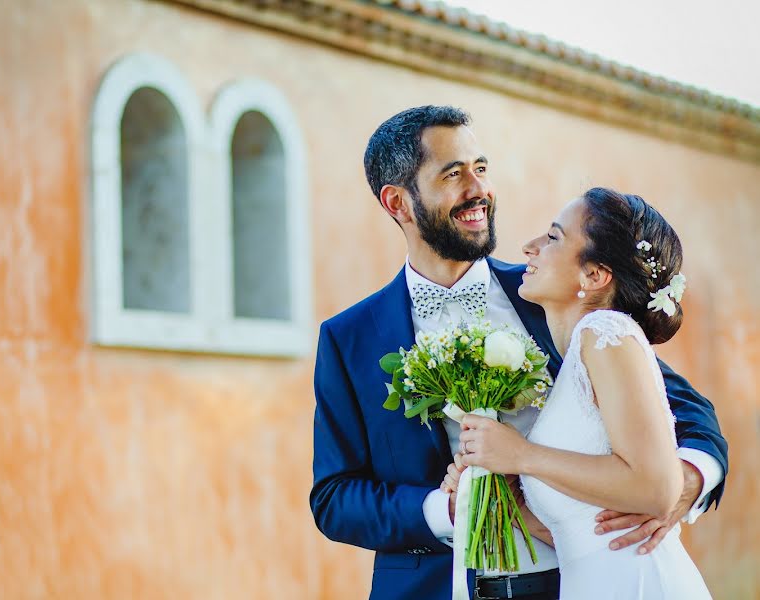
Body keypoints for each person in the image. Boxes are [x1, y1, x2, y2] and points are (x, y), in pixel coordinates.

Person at [309, 106, 728, 600]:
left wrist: (679, 487)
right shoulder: (350, 337)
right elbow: (334, 498)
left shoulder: (553, 294)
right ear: (398, 202)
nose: (478, 189)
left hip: (569, 582)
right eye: (453, 173)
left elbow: (686, 411)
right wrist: (447, 508)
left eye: (481, 168)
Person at [443, 187, 714, 598]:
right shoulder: (580, 357)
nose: (529, 248)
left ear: (593, 275)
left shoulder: (605, 331)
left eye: (553, 237)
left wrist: (522, 454)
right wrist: (494, 478)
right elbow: (578, 530)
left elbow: (657, 490)